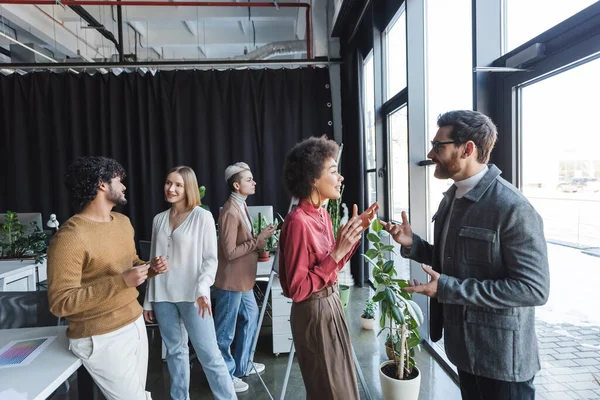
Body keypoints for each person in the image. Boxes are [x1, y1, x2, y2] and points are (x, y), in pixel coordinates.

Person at [383, 110, 550, 400]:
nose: (430, 153)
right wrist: (414, 245)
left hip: (501, 361)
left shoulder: (512, 208)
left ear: (468, 149)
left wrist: (447, 288)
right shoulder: (452, 196)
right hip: (464, 351)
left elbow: (533, 289)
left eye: (438, 146)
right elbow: (456, 260)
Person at [47, 156, 168, 400]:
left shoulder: (123, 222)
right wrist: (121, 281)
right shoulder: (70, 237)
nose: (124, 186)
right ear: (102, 184)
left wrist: (150, 268)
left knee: (140, 395)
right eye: (119, 180)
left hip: (133, 322)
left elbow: (131, 265)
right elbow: (61, 303)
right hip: (99, 336)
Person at [279, 136, 378, 400]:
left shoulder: (321, 214)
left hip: (331, 304)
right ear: (312, 178)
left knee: (340, 385)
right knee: (332, 390)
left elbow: (331, 268)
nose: (341, 177)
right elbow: (298, 290)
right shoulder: (298, 221)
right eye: (333, 171)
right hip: (313, 313)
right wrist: (336, 253)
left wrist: (353, 235)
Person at [142, 166, 236, 400]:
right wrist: (148, 300)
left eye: (178, 185)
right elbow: (152, 263)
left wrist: (203, 289)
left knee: (210, 355)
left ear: (188, 188)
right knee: (175, 353)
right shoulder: (158, 220)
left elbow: (210, 260)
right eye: (168, 183)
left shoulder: (201, 216)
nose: (171, 189)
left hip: (194, 296)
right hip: (163, 296)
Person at [213, 162, 276, 393]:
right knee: (225, 332)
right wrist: (257, 241)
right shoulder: (230, 211)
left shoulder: (241, 205)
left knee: (252, 315)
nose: (254, 182)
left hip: (243, 280)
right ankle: (226, 376)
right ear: (237, 185)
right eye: (249, 180)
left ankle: (242, 365)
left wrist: (260, 238)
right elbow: (229, 253)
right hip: (231, 282)